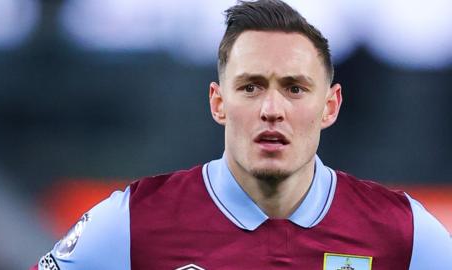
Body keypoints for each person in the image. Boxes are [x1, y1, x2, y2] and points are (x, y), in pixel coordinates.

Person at [33, 0, 452, 269]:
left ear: (330, 105)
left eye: (295, 88)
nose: (272, 110)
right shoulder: (130, 222)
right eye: (251, 87)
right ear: (218, 102)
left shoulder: (406, 232)